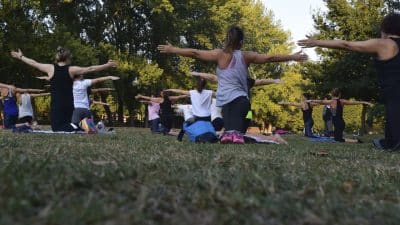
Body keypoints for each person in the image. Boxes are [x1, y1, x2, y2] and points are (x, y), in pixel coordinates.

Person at [157, 28, 304, 144]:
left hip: (238, 102)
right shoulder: (246, 55)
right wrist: (292, 57)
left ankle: (273, 139)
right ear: (241, 42)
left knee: (235, 136)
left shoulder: (219, 54)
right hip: (229, 104)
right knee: (229, 137)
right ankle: (268, 138)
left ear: (226, 39)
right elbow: (270, 58)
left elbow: (195, 53)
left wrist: (173, 50)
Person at [298, 13, 400, 150]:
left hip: (394, 95)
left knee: (393, 142)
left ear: (385, 30)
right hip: (393, 97)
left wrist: (317, 42)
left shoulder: (386, 44)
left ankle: (392, 143)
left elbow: (346, 45)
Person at [10, 47, 118, 131]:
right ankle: (87, 126)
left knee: (58, 128)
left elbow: (34, 63)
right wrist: (107, 65)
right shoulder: (72, 70)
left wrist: (21, 57)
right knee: (68, 127)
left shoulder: (50, 68)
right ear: (67, 58)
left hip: (56, 105)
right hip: (69, 105)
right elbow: (91, 68)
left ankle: (86, 126)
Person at [191, 71, 283, 133]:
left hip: (239, 107)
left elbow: (212, 77)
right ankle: (235, 132)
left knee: (246, 119)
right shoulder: (241, 80)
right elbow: (261, 81)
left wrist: (274, 81)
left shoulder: (242, 80)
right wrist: (274, 80)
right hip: (240, 107)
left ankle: (237, 132)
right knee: (243, 120)